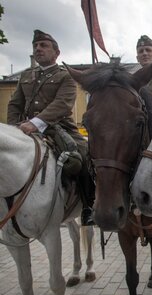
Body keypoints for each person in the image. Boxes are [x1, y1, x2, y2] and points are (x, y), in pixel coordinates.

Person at [7, 29, 95, 226]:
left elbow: (62, 104)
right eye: (35, 46)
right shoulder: (26, 76)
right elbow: (15, 104)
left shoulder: (66, 76)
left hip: (58, 127)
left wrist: (35, 123)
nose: (38, 49)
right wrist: (14, 128)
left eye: (43, 46)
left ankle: (89, 207)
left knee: (84, 156)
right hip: (25, 128)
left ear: (56, 53)